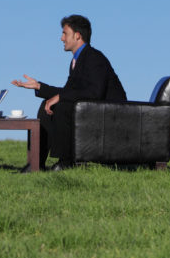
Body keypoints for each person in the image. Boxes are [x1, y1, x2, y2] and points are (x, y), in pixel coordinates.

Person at [12, 14, 126, 171]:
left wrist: (59, 97)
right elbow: (70, 92)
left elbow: (94, 92)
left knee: (62, 106)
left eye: (65, 33)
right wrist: (39, 86)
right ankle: (36, 164)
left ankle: (66, 162)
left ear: (77, 36)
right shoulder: (77, 61)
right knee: (46, 107)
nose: (61, 38)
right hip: (91, 109)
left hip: (109, 114)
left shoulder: (94, 58)